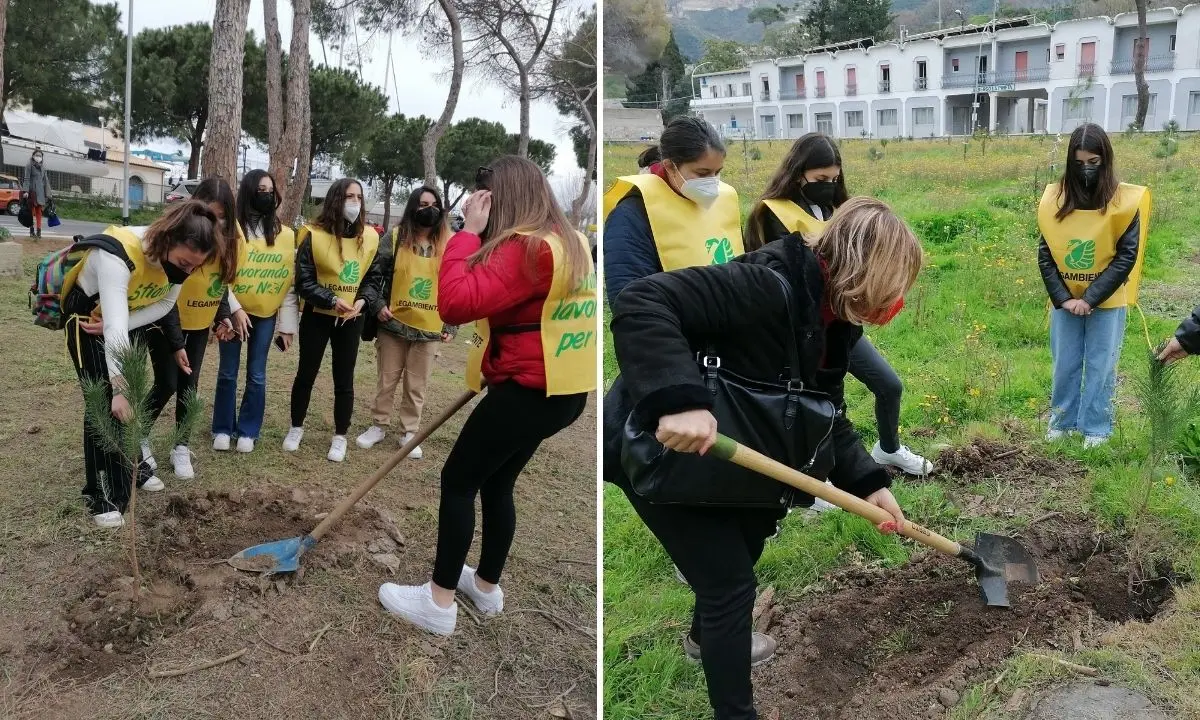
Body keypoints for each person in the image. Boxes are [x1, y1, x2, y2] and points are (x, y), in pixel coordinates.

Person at [605, 197, 918, 720]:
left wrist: (869, 482)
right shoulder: (765, 285)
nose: (891, 304)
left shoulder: (834, 317)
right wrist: (678, 400)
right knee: (729, 584)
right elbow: (643, 300)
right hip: (658, 449)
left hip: (730, 453)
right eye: (890, 289)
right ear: (862, 273)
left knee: (748, 540)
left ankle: (704, 639)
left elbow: (827, 409)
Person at [377, 156, 594, 636]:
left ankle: (438, 602)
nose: (480, 207)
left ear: (501, 198)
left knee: (458, 480)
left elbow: (455, 304)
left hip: (527, 392)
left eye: (485, 199)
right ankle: (486, 586)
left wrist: (468, 234)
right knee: (497, 482)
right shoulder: (568, 240)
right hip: (564, 389)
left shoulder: (527, 247)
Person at [743, 132, 932, 478]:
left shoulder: (836, 209)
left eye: (834, 179)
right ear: (798, 173)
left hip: (839, 319)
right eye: (820, 179)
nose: (828, 186)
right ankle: (814, 476)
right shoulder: (774, 215)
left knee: (888, 385)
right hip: (803, 330)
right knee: (815, 402)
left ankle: (888, 449)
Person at [62, 201, 218, 527]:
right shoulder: (118, 254)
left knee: (131, 398)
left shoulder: (179, 264)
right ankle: (101, 492)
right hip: (88, 321)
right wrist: (117, 388)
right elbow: (113, 328)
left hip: (128, 318)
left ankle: (133, 468)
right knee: (104, 400)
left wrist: (128, 323)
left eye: (195, 267)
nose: (187, 272)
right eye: (184, 263)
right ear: (167, 239)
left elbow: (164, 304)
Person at [1037, 123, 1149, 449]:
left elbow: (1126, 256)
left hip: (1107, 300)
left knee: (1102, 364)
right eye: (1079, 162)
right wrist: (1064, 298)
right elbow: (1045, 254)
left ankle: (1096, 427)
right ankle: (1062, 422)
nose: (1086, 169)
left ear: (1105, 160)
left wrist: (1091, 298)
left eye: (1093, 162)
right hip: (1064, 300)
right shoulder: (1055, 200)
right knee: (1065, 362)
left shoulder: (1123, 202)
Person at [138, 178, 240, 480]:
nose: (213, 222)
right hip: (162, 316)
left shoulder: (227, 242)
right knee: (167, 382)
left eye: (221, 216)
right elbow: (166, 292)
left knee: (189, 385)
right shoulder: (176, 236)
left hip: (198, 323)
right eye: (210, 212)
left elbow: (219, 284)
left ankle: (181, 445)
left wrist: (223, 315)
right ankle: (139, 436)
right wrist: (176, 342)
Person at [286, 178, 385, 462]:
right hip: (317, 316)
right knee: (306, 374)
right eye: (348, 197)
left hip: (351, 319)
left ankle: (340, 436)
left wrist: (363, 301)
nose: (355, 202)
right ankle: (295, 427)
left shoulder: (371, 237)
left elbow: (373, 278)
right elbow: (304, 281)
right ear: (335, 200)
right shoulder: (312, 234)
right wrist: (330, 299)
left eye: (359, 197)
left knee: (344, 378)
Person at [356, 186, 456, 457]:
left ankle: (409, 432)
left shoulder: (450, 243)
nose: (429, 210)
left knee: (417, 384)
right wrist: (378, 305)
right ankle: (378, 425)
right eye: (423, 204)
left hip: (429, 329)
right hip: (393, 325)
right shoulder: (396, 237)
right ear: (413, 207)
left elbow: (455, 284)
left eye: (434, 205)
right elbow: (374, 275)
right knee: (386, 379)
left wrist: (451, 324)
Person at [603, 115, 743, 306]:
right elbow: (631, 303)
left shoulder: (724, 200)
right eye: (702, 173)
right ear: (670, 166)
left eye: (717, 172)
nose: (712, 182)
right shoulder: (632, 215)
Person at [212, 169, 299, 454]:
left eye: (271, 191)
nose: (267, 195)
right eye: (261, 190)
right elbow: (219, 276)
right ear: (249, 192)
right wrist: (233, 309)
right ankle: (222, 427)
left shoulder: (285, 235)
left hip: (264, 316)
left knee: (257, 374)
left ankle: (248, 430)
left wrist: (287, 327)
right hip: (232, 313)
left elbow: (288, 283)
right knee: (227, 372)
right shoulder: (231, 231)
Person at [23, 148, 52, 238]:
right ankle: (31, 231)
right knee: (31, 212)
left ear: (42, 157)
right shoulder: (29, 165)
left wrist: (49, 194)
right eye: (37, 155)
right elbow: (26, 179)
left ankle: (39, 232)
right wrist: (26, 191)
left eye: (40, 156)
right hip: (32, 191)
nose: (38, 157)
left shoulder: (43, 167)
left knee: (39, 212)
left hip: (41, 193)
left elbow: (46, 181)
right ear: (33, 156)